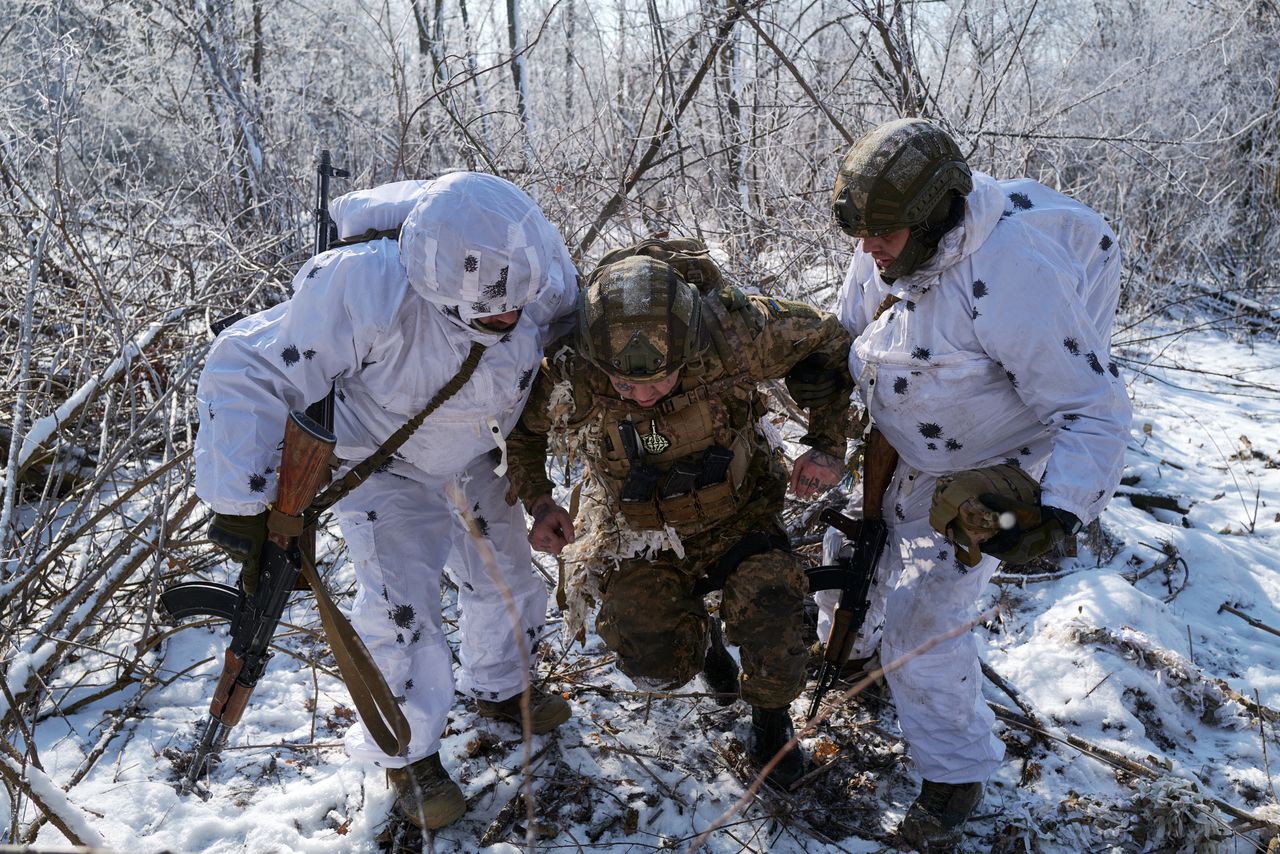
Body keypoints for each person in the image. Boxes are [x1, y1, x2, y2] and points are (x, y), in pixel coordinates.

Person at [192, 172, 577, 830]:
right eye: (491, 312)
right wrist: (244, 504)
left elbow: (571, 345)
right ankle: (409, 755)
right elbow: (248, 365)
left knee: (508, 577)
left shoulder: (540, 275)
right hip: (382, 460)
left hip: (478, 450)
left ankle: (502, 687)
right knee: (403, 613)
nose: (509, 318)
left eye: (517, 305)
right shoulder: (364, 286)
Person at [816, 118, 1132, 850]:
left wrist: (1059, 511)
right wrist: (824, 397)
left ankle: (953, 778)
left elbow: (1094, 407)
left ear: (932, 216)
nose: (866, 249)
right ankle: (853, 655)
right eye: (860, 232)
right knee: (853, 559)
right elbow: (849, 332)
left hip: (986, 467)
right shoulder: (888, 243)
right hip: (897, 447)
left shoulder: (1015, 276)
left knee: (923, 628)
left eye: (881, 233)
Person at [504, 241, 853, 787]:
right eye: (626, 384)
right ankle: (705, 639)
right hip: (635, 529)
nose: (643, 396)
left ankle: (768, 714)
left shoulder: (735, 333)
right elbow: (523, 434)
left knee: (778, 629)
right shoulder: (574, 368)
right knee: (655, 665)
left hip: (739, 514)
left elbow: (830, 340)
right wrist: (541, 501)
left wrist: (829, 442)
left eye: (659, 380)